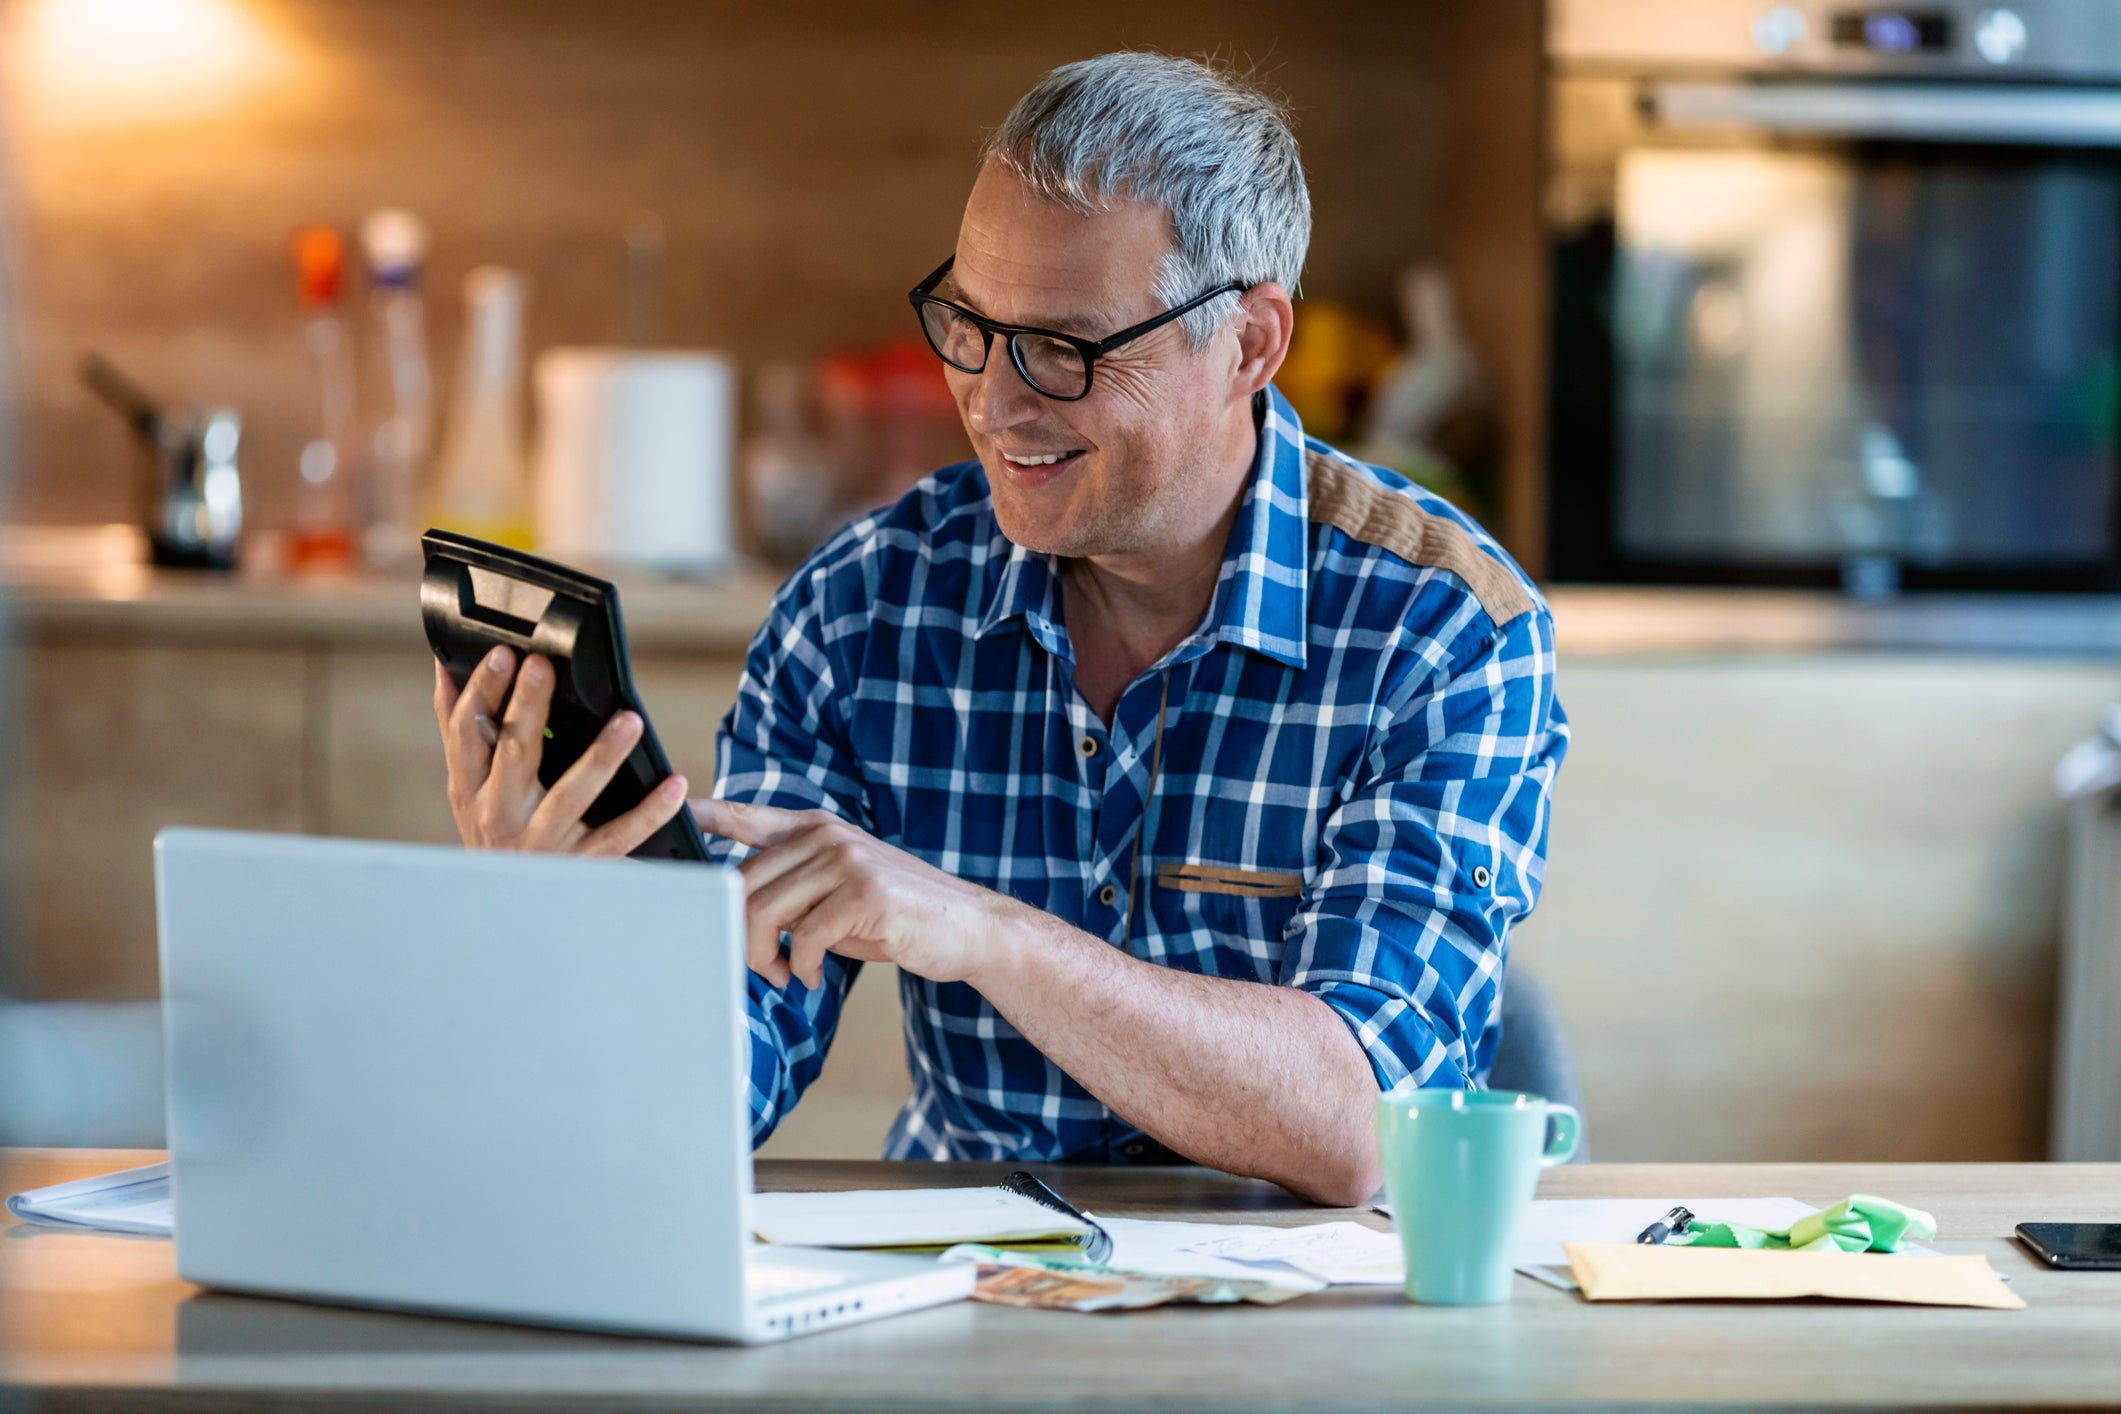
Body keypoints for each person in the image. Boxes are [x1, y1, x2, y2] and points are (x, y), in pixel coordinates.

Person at [434, 52, 1567, 1206]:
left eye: (1064, 350)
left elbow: (1370, 1125)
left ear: (1250, 343)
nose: (991, 399)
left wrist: (983, 933)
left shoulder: (1444, 631)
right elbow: (720, 1080)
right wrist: (562, 942)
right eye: (970, 326)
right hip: (965, 1298)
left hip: (1309, 1346)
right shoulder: (861, 610)